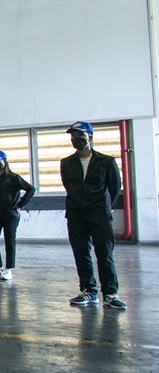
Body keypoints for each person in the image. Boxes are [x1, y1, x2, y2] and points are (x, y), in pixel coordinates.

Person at [60, 121, 126, 309]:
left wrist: (102, 205)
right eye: (73, 136)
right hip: (76, 214)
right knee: (81, 253)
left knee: (104, 254)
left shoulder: (106, 162)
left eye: (80, 135)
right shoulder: (66, 163)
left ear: (89, 136)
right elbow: (69, 186)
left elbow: (114, 188)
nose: (76, 139)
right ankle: (88, 290)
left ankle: (110, 293)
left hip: (99, 214)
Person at [0, 150, 35, 281]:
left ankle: (9, 269)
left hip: (10, 215)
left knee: (9, 241)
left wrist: (19, 204)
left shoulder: (13, 178)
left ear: (4, 162)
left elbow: (31, 189)